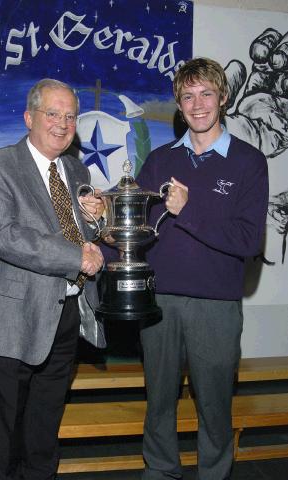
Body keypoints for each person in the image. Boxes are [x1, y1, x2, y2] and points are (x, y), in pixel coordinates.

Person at [0, 78, 105, 480]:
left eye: (70, 116)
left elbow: (81, 235)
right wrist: (75, 255)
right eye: (52, 113)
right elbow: (0, 235)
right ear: (29, 117)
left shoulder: (77, 169)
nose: (62, 123)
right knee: (4, 437)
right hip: (10, 322)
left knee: (44, 432)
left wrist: (94, 221)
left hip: (64, 316)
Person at [136, 57, 269, 480]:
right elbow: (137, 228)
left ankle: (214, 473)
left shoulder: (248, 161)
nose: (197, 105)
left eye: (206, 94)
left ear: (223, 98)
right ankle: (160, 469)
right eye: (188, 96)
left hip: (216, 306)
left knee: (214, 403)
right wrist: (103, 219)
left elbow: (249, 241)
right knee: (158, 398)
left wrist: (187, 211)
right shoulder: (158, 159)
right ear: (178, 103)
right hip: (158, 300)